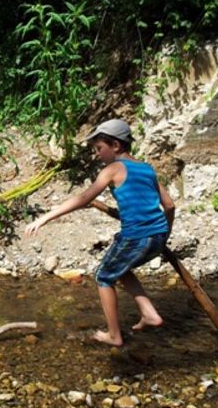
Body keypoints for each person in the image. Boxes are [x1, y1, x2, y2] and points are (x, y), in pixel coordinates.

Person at [25, 119, 175, 347]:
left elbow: (83, 197)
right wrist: (165, 235)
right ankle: (149, 313)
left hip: (136, 236)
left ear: (115, 145)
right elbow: (170, 206)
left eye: (99, 149)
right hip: (157, 236)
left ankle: (114, 335)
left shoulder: (113, 169)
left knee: (103, 275)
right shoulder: (147, 169)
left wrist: (45, 217)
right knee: (120, 268)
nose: (97, 154)